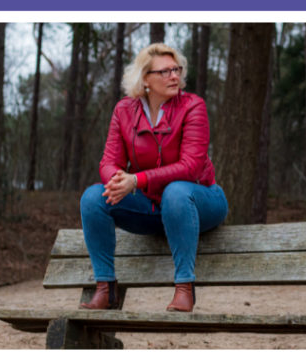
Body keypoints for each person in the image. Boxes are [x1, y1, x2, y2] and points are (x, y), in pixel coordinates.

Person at [79, 43, 227, 313]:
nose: (174, 76)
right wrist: (118, 181)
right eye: (165, 71)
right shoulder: (124, 110)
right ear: (145, 78)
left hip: (201, 200)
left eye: (176, 69)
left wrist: (136, 180)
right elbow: (109, 162)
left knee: (176, 192)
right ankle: (105, 288)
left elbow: (191, 168)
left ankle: (184, 288)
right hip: (152, 207)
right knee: (93, 198)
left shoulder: (193, 106)